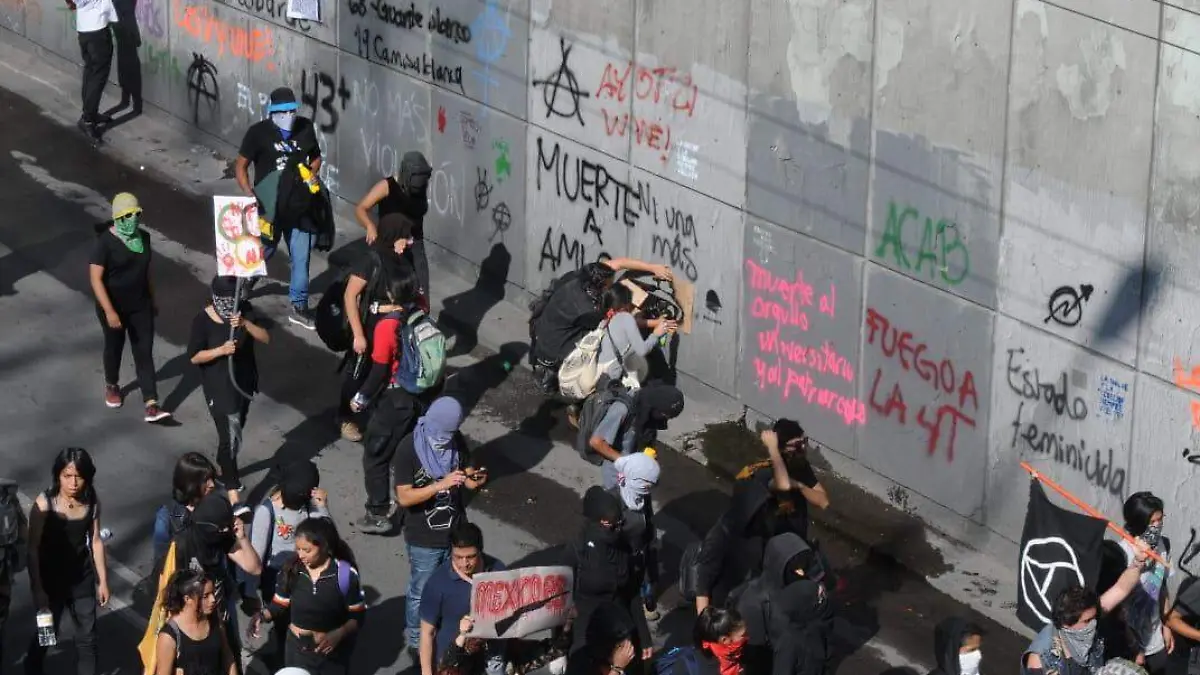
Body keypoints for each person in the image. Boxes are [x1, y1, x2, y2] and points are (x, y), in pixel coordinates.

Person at [395, 397, 488, 653]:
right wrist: (439, 485)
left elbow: (468, 479)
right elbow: (403, 496)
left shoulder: (456, 441)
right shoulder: (408, 449)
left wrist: (476, 479)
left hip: (455, 532)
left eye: (450, 433)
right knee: (421, 590)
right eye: (442, 433)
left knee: (457, 584)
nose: (445, 439)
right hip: (423, 538)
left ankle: (448, 631)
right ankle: (416, 640)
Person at [234, 86, 324, 329]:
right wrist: (248, 194)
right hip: (269, 208)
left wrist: (312, 174)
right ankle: (244, 283)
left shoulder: (305, 128)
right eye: (283, 111)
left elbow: (316, 157)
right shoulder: (258, 133)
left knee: (301, 257)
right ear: (272, 113)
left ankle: (299, 306)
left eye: (292, 110)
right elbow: (240, 166)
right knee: (265, 250)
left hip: (299, 206)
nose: (289, 116)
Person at [528, 257, 672, 397]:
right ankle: (597, 389)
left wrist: (653, 268)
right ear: (601, 287)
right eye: (609, 285)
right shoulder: (589, 309)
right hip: (557, 349)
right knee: (612, 340)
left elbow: (619, 262)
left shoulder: (581, 277)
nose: (611, 285)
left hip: (544, 331)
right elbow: (618, 323)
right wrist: (655, 323)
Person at [349, 271, 425, 533]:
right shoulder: (421, 313)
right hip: (420, 395)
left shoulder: (387, 327)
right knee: (409, 453)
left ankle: (378, 512)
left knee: (376, 456)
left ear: (392, 295)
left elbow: (380, 370)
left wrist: (361, 398)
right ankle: (416, 503)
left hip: (395, 399)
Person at [339, 214, 423, 442]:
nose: (409, 241)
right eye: (405, 237)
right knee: (358, 373)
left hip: (396, 324)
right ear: (393, 236)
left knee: (388, 372)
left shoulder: (404, 257)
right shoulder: (371, 260)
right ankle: (348, 417)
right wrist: (357, 335)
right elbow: (350, 295)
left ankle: (379, 412)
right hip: (369, 326)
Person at [25, 448, 110, 675]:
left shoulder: (91, 501)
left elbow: (96, 541)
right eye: (67, 476)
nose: (73, 483)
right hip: (50, 582)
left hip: (82, 580)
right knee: (46, 637)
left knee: (87, 641)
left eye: (78, 477)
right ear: (58, 475)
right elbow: (32, 549)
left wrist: (103, 581)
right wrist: (38, 589)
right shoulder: (44, 504)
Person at [89, 192, 170, 422]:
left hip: (140, 305)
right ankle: (112, 385)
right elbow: (96, 279)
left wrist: (152, 300)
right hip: (113, 307)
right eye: (127, 215)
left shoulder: (144, 238)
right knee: (114, 347)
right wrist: (110, 311)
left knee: (143, 352)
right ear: (117, 217)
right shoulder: (105, 243)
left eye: (136, 214)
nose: (132, 219)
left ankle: (151, 403)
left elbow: (146, 273)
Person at [188, 275, 271, 500]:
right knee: (229, 438)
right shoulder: (202, 321)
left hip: (243, 382)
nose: (228, 306)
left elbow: (265, 337)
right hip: (219, 388)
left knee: (237, 429)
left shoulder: (245, 311)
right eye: (224, 300)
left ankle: (224, 463)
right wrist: (220, 351)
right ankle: (233, 491)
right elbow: (195, 357)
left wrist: (245, 323)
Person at [250, 518, 366, 675]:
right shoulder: (290, 571)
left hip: (332, 654)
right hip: (297, 652)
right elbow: (279, 604)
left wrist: (339, 634)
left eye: (307, 550)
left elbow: (358, 615)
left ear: (324, 547)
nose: (301, 555)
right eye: (298, 549)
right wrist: (261, 616)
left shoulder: (345, 575)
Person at [246, 461, 331, 668]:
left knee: (301, 623)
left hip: (304, 576)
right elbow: (255, 556)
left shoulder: (310, 504)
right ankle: (284, 663)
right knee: (285, 623)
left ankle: (292, 658)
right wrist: (250, 590)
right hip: (276, 578)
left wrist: (322, 508)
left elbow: (326, 536)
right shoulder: (267, 512)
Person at [1023, 541, 1153, 675]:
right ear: (1066, 624)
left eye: (1094, 617)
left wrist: (1138, 561)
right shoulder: (1042, 661)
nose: (1094, 624)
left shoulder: (1088, 613)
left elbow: (1121, 588)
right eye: (1087, 621)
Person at [566, 487, 652, 666]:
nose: (615, 530)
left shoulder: (624, 546)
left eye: (618, 524)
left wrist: (643, 635)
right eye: (608, 524)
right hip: (587, 624)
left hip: (620, 623)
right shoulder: (577, 549)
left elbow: (633, 592)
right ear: (595, 521)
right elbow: (560, 597)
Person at [172, 492, 262, 659]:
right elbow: (170, 592)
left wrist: (242, 538)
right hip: (192, 624)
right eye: (222, 528)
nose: (226, 531)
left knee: (230, 659)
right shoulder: (182, 545)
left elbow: (254, 568)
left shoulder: (221, 537)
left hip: (219, 617)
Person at [732, 532, 833, 675]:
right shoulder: (753, 603)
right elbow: (753, 656)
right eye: (795, 566)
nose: (801, 572)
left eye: (803, 565)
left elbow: (824, 628)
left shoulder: (806, 590)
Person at [419, 523, 505, 675]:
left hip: (490, 660)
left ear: (480, 551)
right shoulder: (437, 583)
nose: (464, 564)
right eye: (458, 557)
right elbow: (427, 633)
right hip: (453, 663)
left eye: (470, 557)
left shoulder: (498, 572)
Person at [353, 152, 433, 297]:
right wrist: (370, 226)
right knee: (391, 293)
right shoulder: (387, 186)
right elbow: (361, 208)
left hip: (414, 246)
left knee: (421, 294)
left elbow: (416, 221)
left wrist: (407, 240)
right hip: (387, 246)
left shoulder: (421, 186)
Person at [693, 480, 779, 613]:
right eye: (761, 509)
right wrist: (706, 626)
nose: (765, 514)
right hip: (724, 609)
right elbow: (702, 587)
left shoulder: (759, 531)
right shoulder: (719, 537)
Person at [737, 420, 828, 542]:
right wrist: (773, 449)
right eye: (797, 445)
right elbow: (784, 484)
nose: (804, 447)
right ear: (782, 449)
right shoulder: (768, 469)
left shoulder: (800, 465)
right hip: (773, 543)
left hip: (796, 540)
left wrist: (800, 486)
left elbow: (823, 501)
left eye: (804, 442)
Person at [586, 383, 684, 490]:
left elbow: (647, 436)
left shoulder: (648, 410)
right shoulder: (621, 409)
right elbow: (596, 442)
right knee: (618, 502)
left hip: (636, 471)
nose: (665, 420)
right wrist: (629, 463)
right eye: (665, 415)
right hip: (616, 472)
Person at [1119, 492, 1174, 674]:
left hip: (1156, 640)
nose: (1158, 526)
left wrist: (1167, 625)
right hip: (1130, 645)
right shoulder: (1123, 553)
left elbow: (1162, 587)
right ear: (1138, 523)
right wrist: (1135, 648)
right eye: (1153, 522)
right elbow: (1118, 608)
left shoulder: (1162, 545)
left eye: (1161, 519)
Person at [154, 569, 237, 675]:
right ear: (187, 599)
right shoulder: (169, 636)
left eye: (213, 593)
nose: (213, 599)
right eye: (205, 596)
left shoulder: (214, 618)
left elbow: (227, 656)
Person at [610, 452, 661, 621]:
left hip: (642, 552)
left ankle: (647, 600)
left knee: (647, 578)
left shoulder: (641, 497)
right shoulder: (612, 503)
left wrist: (652, 543)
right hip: (623, 561)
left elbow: (648, 520)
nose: (649, 487)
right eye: (646, 482)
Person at [595, 283, 676, 387]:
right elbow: (642, 350)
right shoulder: (626, 318)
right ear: (625, 303)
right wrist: (656, 334)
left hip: (598, 375)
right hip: (612, 378)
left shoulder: (605, 317)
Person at [152, 452, 218, 566]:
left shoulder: (215, 506)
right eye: (205, 480)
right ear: (191, 484)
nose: (212, 484)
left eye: (212, 478)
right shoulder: (167, 516)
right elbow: (161, 563)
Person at [66, 0, 116, 141]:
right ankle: (88, 119)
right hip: (97, 29)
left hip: (85, 29)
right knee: (98, 75)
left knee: (90, 72)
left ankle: (89, 114)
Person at [564, 601, 638, 675]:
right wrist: (616, 669)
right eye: (621, 646)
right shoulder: (579, 665)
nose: (628, 651)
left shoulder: (623, 663)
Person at [682, 607, 748, 675]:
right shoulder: (688, 666)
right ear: (724, 640)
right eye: (743, 635)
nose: (747, 637)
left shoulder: (744, 654)